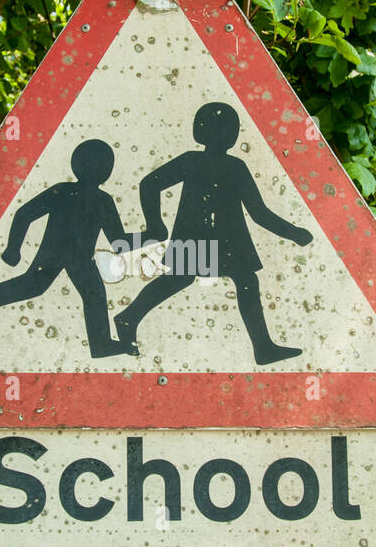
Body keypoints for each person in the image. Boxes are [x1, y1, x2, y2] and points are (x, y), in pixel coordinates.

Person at [113, 102, 313, 365]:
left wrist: (294, 233)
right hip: (208, 237)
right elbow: (150, 184)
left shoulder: (222, 165)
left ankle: (128, 317)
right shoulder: (204, 162)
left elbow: (258, 212)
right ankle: (262, 347)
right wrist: (155, 225)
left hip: (220, 238)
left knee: (205, 279)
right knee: (234, 280)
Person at [0, 139, 131, 357]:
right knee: (81, 291)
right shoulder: (72, 194)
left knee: (77, 291)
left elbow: (118, 241)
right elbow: (25, 214)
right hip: (60, 253)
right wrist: (12, 249)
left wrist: (150, 237)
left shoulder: (86, 196)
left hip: (75, 256)